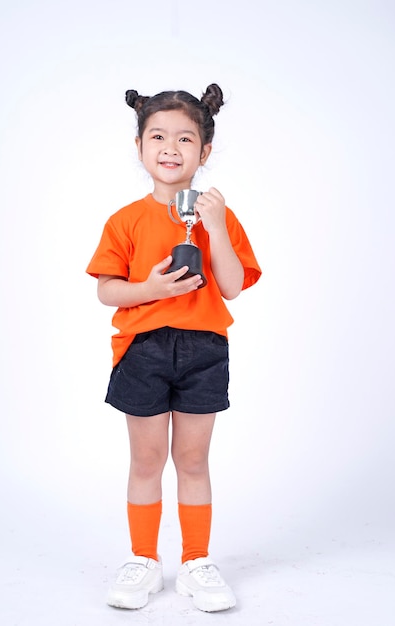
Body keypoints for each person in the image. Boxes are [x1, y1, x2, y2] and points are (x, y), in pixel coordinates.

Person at [86, 83, 261, 612]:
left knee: (192, 458)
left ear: (203, 153)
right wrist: (152, 290)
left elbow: (231, 285)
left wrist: (215, 228)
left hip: (205, 348)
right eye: (158, 135)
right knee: (146, 459)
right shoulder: (125, 220)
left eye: (185, 138)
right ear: (139, 146)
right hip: (142, 350)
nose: (170, 147)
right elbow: (106, 289)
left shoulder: (218, 216)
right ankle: (143, 559)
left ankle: (195, 561)